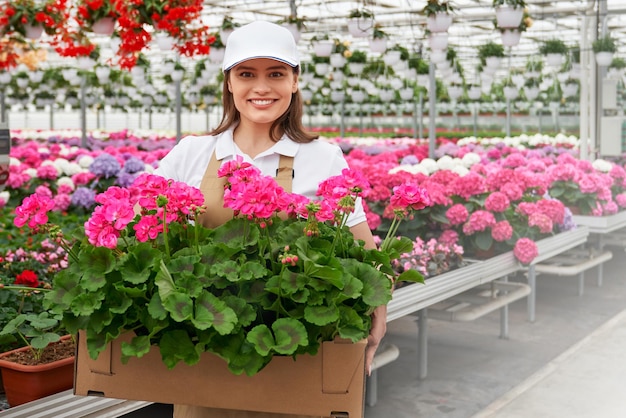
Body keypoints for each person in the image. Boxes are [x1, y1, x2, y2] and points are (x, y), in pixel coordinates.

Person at [154, 20, 387, 418]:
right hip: (207, 357)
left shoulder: (322, 157)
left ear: (295, 82)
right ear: (229, 83)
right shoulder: (191, 153)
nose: (261, 87)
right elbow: (138, 229)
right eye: (247, 74)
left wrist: (378, 318)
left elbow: (365, 254)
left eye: (276, 74)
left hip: (298, 360)